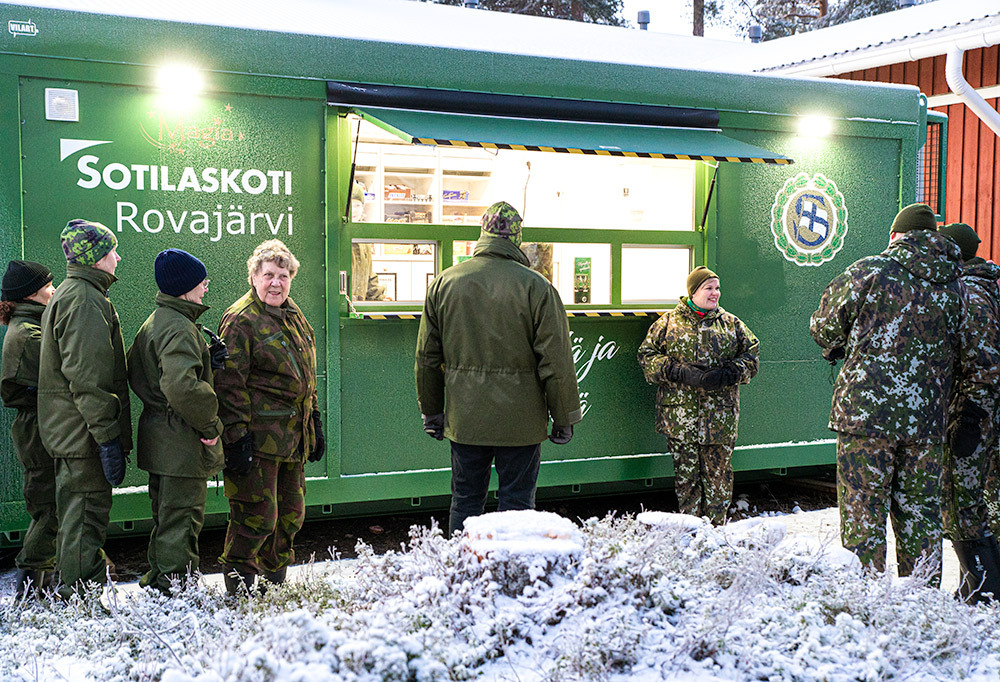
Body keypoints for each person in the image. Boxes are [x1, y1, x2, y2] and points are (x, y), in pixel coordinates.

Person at [810, 204, 994, 585]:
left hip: (864, 419)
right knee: (921, 519)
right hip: (927, 424)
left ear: (896, 235)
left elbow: (824, 326)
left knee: (864, 517)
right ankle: (920, 607)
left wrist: (842, 346)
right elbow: (980, 360)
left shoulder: (870, 271)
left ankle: (863, 608)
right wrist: (971, 415)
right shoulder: (958, 285)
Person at [415, 201, 582, 537]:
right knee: (518, 503)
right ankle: (512, 576)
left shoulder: (445, 283)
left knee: (465, 500)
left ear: (483, 232)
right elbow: (557, 361)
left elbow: (426, 358)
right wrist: (564, 416)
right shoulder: (538, 288)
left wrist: (433, 412)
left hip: (466, 420)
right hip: (521, 424)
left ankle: (459, 575)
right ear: (517, 238)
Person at [214, 239, 323, 596]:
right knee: (257, 517)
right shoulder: (240, 320)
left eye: (283, 275)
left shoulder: (293, 315)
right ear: (254, 277)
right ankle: (240, 587)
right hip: (258, 441)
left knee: (291, 515)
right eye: (269, 275)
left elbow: (307, 373)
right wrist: (236, 436)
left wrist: (315, 421)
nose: (276, 283)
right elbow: (229, 383)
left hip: (293, 438)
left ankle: (272, 584)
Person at [38, 219, 132, 594]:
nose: (118, 257)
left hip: (73, 431)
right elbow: (88, 379)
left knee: (77, 516)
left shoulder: (74, 293)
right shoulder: (85, 299)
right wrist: (107, 437)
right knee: (85, 518)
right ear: (95, 257)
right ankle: (79, 601)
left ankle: (72, 591)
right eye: (111, 251)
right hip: (84, 435)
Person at [127, 249, 226, 594]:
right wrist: (211, 426)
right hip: (181, 440)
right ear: (186, 287)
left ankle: (160, 584)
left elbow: (148, 374)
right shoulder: (178, 327)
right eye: (203, 282)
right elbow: (181, 385)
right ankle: (175, 593)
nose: (206, 289)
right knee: (181, 521)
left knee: (167, 519)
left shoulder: (157, 321)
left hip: (162, 437)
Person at [637, 266, 760, 525]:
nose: (715, 293)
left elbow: (752, 357)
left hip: (720, 418)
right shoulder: (668, 323)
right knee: (687, 478)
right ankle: (691, 531)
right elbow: (646, 356)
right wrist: (677, 371)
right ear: (693, 291)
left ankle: (715, 531)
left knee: (719, 477)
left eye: (717, 288)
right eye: (708, 288)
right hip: (680, 419)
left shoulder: (732, 324)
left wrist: (728, 373)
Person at [937, 222, 1000, 601]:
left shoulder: (970, 295)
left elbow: (985, 361)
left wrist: (971, 417)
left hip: (972, 415)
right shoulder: (986, 288)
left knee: (962, 502)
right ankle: (976, 587)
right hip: (982, 413)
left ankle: (984, 591)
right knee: (983, 501)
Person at [0, 260, 57, 594]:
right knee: (50, 509)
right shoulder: (29, 335)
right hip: (39, 429)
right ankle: (31, 588)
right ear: (33, 293)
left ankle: (41, 584)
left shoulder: (28, 328)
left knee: (51, 507)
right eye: (49, 286)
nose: (54, 290)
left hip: (38, 427)